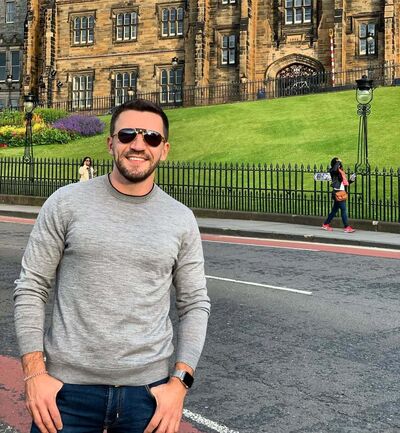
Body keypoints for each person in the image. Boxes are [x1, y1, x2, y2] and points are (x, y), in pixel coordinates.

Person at [14, 99, 211, 433]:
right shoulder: (65, 203)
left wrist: (180, 382)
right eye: (127, 134)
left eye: (151, 137)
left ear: (164, 149)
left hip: (147, 396)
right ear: (110, 143)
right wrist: (34, 373)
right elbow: (31, 287)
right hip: (65, 394)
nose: (138, 145)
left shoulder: (181, 218)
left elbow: (194, 303)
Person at [322, 157, 356, 233]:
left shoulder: (340, 172)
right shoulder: (333, 171)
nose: (340, 165)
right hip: (338, 193)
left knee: (334, 210)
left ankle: (325, 224)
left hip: (341, 192)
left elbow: (342, 183)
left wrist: (351, 180)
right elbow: (334, 169)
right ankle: (347, 227)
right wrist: (338, 161)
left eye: (340, 164)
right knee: (343, 210)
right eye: (338, 164)